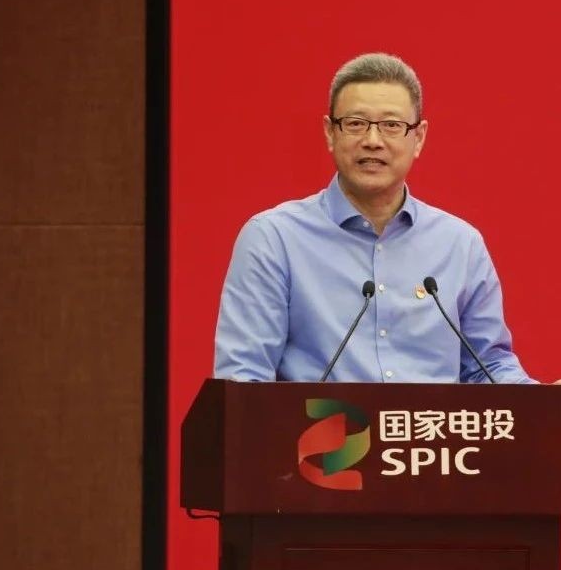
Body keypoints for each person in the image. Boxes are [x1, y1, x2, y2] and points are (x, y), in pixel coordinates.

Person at [213, 52, 537, 383]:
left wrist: (549, 402)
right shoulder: (274, 239)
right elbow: (243, 380)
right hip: (321, 419)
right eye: (355, 124)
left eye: (392, 126)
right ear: (330, 133)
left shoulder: (460, 245)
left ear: (418, 138)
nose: (372, 141)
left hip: (429, 420)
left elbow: (489, 367)